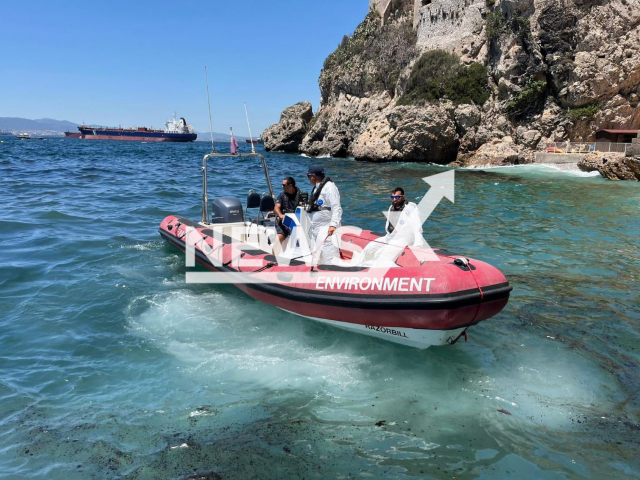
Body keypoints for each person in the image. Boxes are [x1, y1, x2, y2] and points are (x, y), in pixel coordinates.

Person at [360, 187, 425, 266]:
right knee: (369, 248)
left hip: (403, 239)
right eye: (392, 197)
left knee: (382, 257)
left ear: (403, 197)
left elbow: (417, 226)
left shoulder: (410, 209)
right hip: (389, 237)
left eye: (397, 197)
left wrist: (418, 244)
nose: (394, 199)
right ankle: (357, 266)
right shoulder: (391, 207)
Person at [306, 165, 342, 265]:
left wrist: (333, 225)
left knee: (329, 257)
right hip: (316, 230)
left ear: (313, 176)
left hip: (326, 229)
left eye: (309, 176)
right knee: (314, 257)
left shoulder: (329, 187)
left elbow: (336, 207)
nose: (308, 179)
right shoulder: (316, 189)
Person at [274, 177, 302, 244]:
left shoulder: (300, 195)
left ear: (290, 186)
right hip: (283, 221)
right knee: (279, 238)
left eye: (283, 185)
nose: (282, 186)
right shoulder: (281, 195)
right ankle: (274, 254)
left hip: (296, 222)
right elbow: (276, 207)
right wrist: (281, 215)